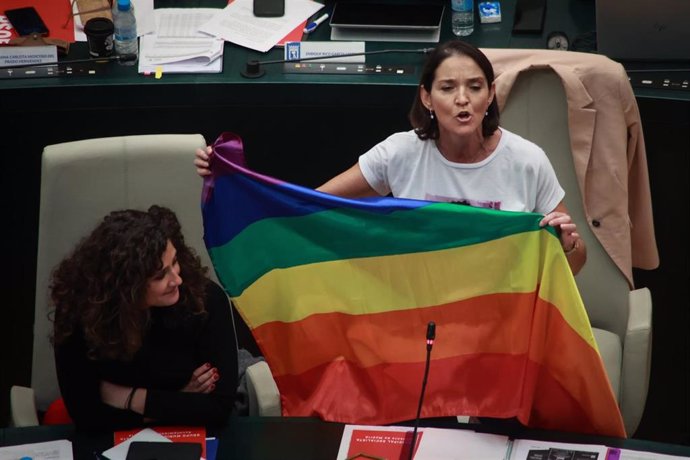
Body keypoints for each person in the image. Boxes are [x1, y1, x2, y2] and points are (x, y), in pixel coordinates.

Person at [195, 39, 586, 274]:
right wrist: (230, 175)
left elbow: (576, 263)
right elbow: (308, 207)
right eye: (448, 87)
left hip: (503, 322)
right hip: (420, 315)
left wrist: (568, 244)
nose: (463, 99)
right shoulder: (399, 154)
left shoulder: (527, 161)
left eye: (475, 87)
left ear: (491, 95)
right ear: (427, 98)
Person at [51, 205, 238, 431]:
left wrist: (130, 398)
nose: (177, 280)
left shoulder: (205, 300)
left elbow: (217, 410)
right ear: (126, 286)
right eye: (160, 275)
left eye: (175, 262)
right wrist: (179, 400)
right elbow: (88, 416)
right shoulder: (79, 312)